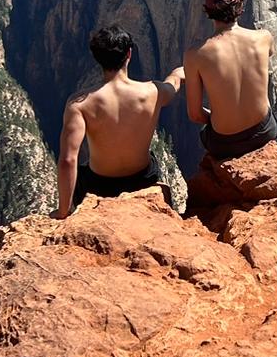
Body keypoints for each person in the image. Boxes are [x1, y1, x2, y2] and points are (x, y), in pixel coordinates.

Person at [56, 24, 185, 218]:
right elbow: (173, 85)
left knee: (83, 170)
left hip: (99, 186)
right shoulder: (152, 92)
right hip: (143, 180)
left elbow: (68, 160)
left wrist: (63, 212)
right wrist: (179, 72)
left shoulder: (80, 104)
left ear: (97, 58)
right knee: (152, 159)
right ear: (129, 54)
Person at [184, 0, 277, 201]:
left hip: (225, 143)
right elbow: (270, 55)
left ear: (208, 11)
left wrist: (221, 116)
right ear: (240, 7)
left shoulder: (196, 54)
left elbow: (195, 115)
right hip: (264, 132)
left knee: (205, 133)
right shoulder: (263, 37)